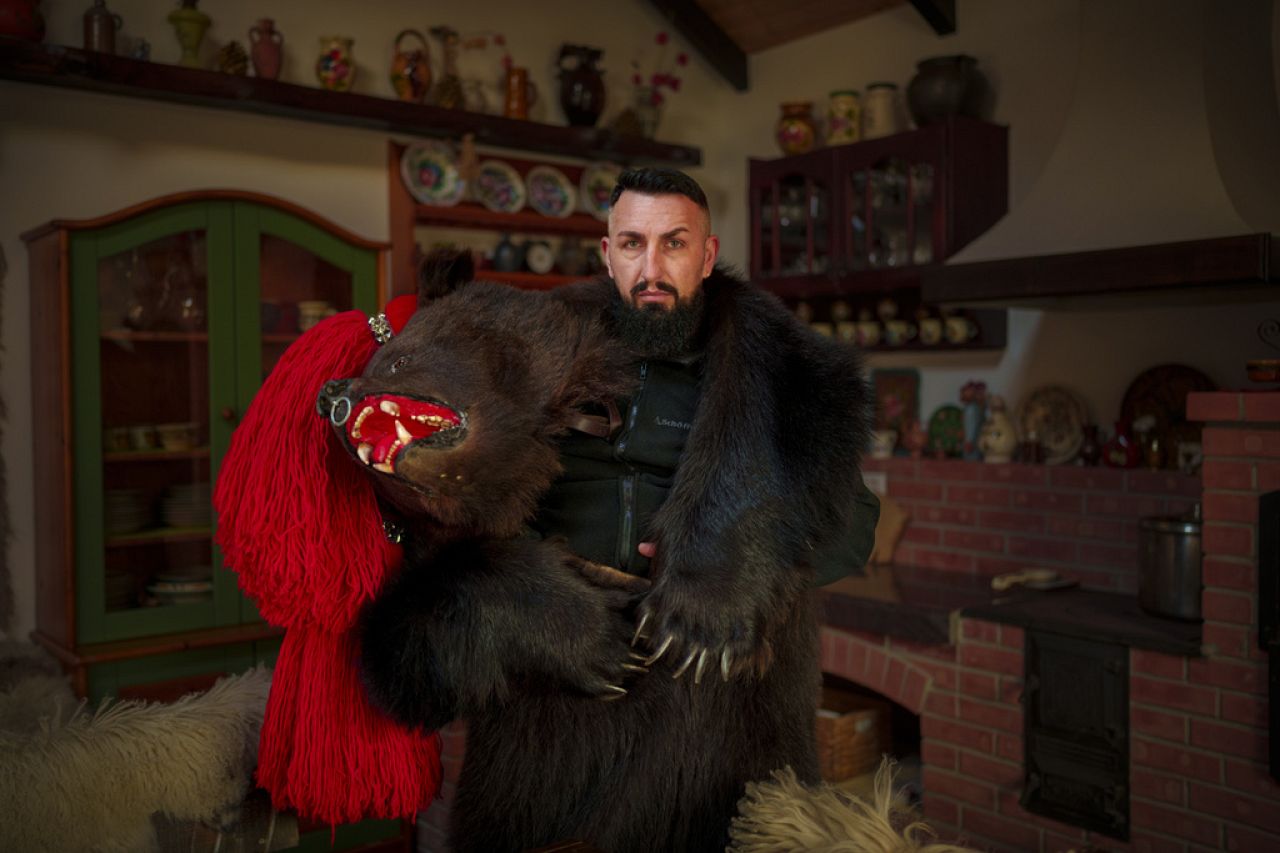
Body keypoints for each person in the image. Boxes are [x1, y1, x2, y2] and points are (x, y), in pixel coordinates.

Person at [532, 166, 879, 598]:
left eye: (674, 244)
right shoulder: (546, 351)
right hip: (556, 613)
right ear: (608, 255)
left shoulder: (775, 371)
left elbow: (855, 525)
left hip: (694, 626)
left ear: (708, 256)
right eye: (632, 244)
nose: (651, 271)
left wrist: (742, 564)